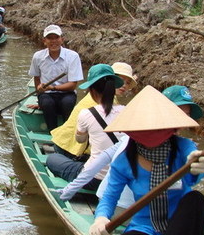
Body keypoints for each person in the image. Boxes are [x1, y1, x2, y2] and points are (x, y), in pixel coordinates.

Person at [88, 86, 204, 235]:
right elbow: (110, 197)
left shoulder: (183, 147)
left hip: (178, 229)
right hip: (147, 228)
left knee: (196, 200)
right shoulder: (124, 161)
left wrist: (196, 166)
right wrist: (101, 218)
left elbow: (195, 171)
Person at [46, 64, 126, 195]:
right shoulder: (127, 110)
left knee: (52, 158)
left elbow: (80, 139)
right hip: (120, 180)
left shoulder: (86, 113)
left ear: (92, 90)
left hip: (94, 179)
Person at [49, 62, 137, 160]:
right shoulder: (103, 103)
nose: (124, 85)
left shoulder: (102, 97)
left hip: (68, 143)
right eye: (121, 80)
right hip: (69, 148)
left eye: (128, 82)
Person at [28, 24, 83, 131]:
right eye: (50, 38)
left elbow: (72, 85)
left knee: (67, 104)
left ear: (62, 39)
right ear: (44, 41)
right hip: (47, 94)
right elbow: (37, 78)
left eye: (56, 38)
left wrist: (52, 88)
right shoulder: (38, 56)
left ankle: (68, 133)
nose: (53, 41)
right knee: (47, 104)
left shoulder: (73, 56)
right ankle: (52, 133)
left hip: (67, 93)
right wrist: (40, 97)